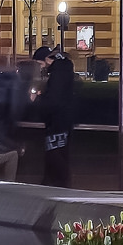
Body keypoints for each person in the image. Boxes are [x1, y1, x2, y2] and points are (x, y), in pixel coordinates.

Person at [35, 47, 78, 187]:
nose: (41, 67)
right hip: (64, 119)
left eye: (40, 63)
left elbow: (54, 100)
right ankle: (59, 184)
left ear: (47, 60)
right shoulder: (64, 70)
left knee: (56, 157)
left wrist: (38, 100)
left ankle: (58, 186)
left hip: (57, 122)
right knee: (61, 156)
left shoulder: (57, 73)